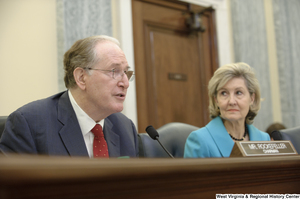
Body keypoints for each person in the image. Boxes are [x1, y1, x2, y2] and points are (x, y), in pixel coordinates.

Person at [0, 35, 139, 158]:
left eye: (126, 73)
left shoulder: (125, 128)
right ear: (81, 78)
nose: (125, 83)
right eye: (114, 71)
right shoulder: (29, 124)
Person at [184, 62, 270, 158]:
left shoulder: (264, 139)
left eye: (238, 92)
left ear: (252, 98)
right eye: (224, 93)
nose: (231, 101)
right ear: (216, 100)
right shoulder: (199, 140)